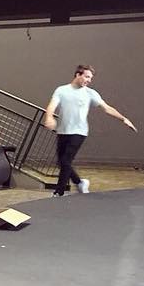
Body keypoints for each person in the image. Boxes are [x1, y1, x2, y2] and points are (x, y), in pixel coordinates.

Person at [43, 64, 137, 196]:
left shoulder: (90, 93)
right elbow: (52, 106)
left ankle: (59, 193)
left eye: (90, 78)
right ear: (78, 75)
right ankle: (80, 182)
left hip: (79, 132)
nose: (89, 80)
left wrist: (123, 119)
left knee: (65, 161)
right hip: (63, 131)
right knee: (61, 162)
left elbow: (106, 108)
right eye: (87, 77)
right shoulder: (61, 90)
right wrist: (49, 117)